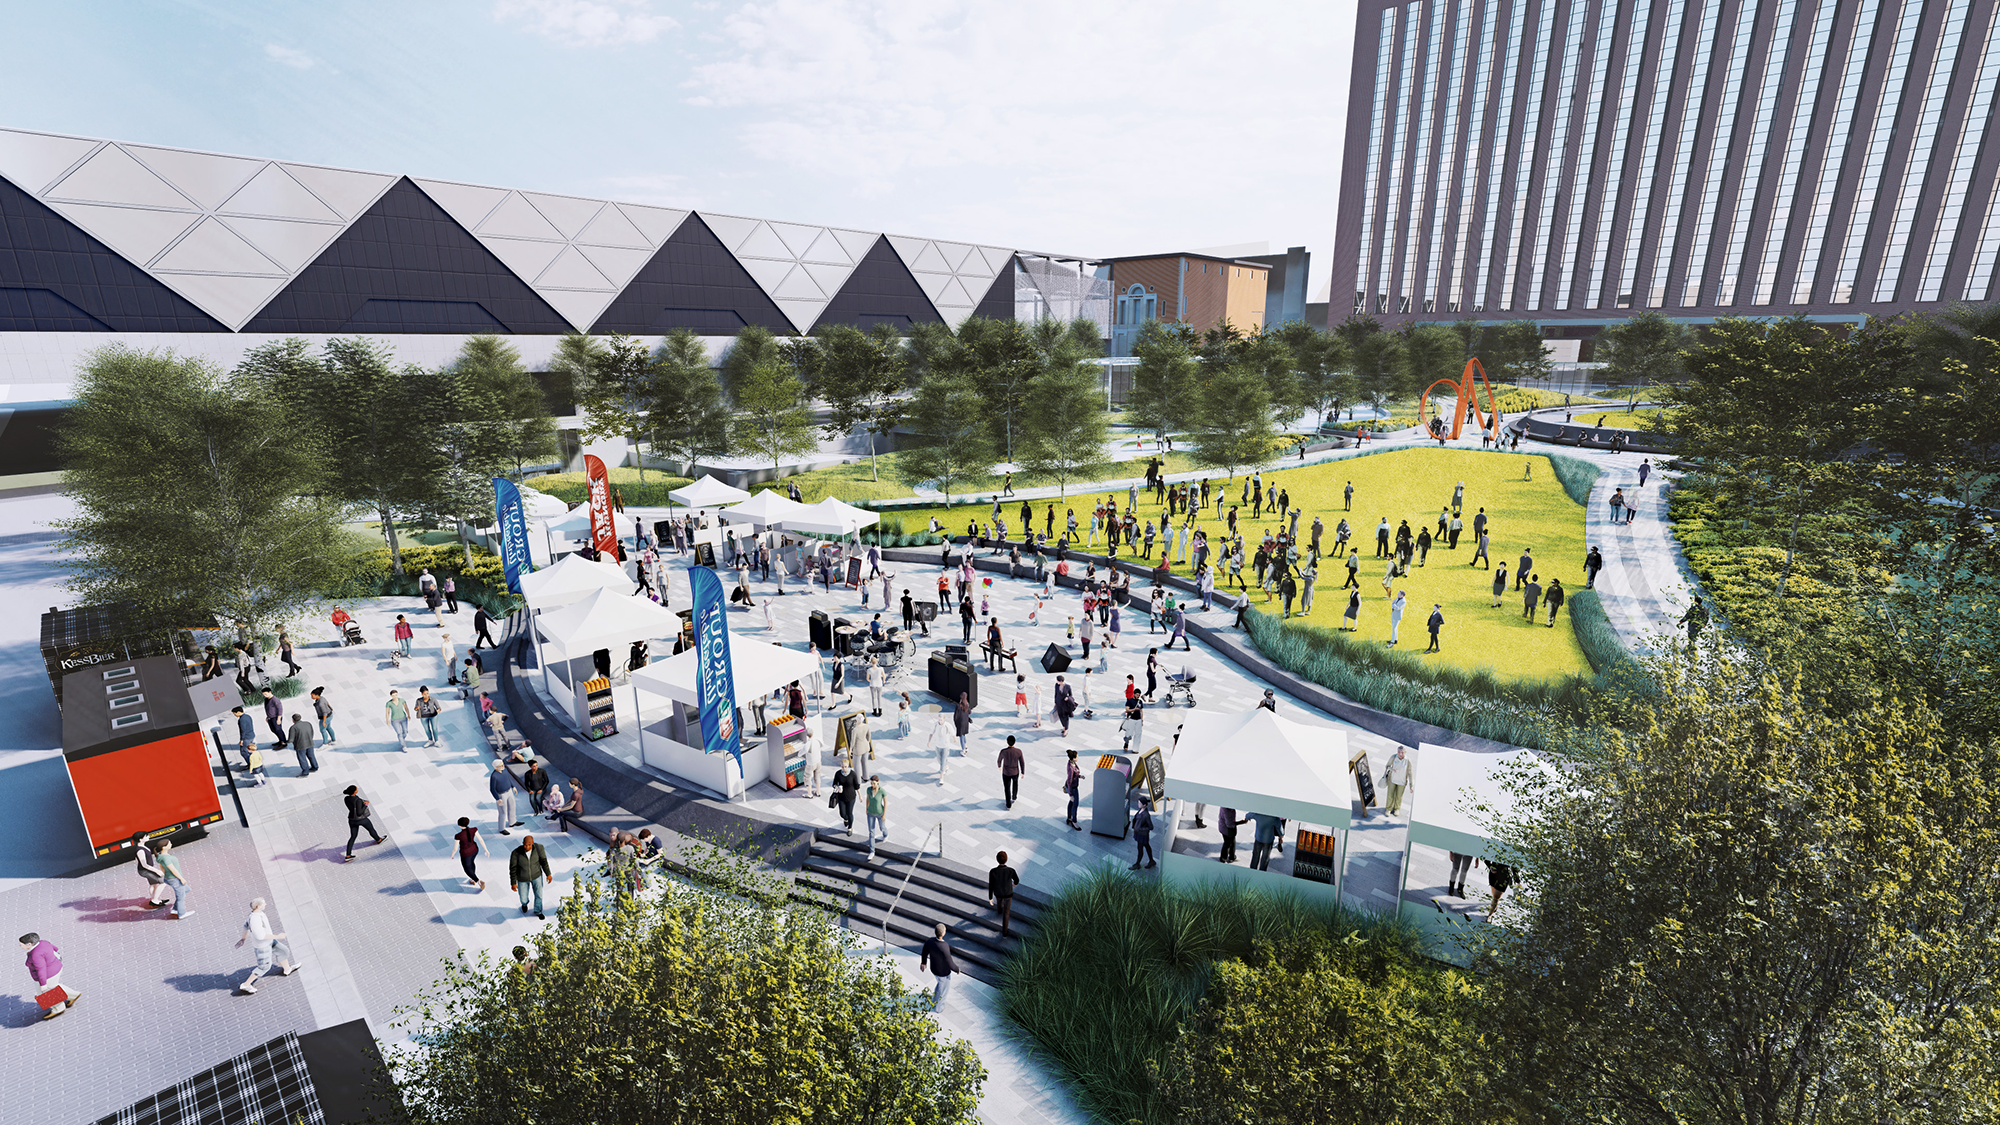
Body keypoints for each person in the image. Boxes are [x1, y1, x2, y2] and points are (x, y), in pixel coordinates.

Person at [235, 898, 300, 994]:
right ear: (258, 906)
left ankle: (287, 969)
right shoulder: (255, 919)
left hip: (269, 941)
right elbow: (260, 936)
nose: (265, 904)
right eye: (263, 903)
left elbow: (245, 926)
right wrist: (277, 936)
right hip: (263, 946)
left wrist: (243, 939)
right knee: (264, 967)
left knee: (283, 951)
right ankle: (246, 985)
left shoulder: (255, 913)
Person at [509, 833, 552, 919]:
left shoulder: (539, 848)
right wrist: (513, 883)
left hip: (537, 876)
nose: (527, 847)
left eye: (529, 845)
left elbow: (544, 861)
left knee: (539, 895)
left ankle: (538, 911)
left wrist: (548, 874)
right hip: (522, 879)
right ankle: (524, 904)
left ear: (532, 843)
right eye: (525, 845)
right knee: (523, 898)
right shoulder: (515, 853)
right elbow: (513, 869)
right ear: (522, 843)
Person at [343, 785, 384, 861]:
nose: (357, 789)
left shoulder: (346, 798)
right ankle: (379, 840)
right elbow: (359, 813)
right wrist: (365, 804)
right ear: (355, 791)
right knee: (371, 829)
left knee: (353, 837)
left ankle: (348, 855)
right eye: (356, 788)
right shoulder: (357, 800)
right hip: (360, 819)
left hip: (351, 820)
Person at [920, 922, 957, 1007]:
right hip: (943, 973)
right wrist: (957, 969)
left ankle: (934, 1000)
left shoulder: (930, 941)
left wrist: (923, 962)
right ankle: (938, 1008)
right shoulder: (944, 946)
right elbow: (949, 962)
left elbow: (925, 951)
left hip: (934, 969)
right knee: (944, 991)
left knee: (940, 985)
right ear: (944, 933)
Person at [134, 831, 171, 909]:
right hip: (145, 871)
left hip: (147, 869)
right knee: (163, 881)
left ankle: (155, 900)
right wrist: (157, 871)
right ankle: (154, 900)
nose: (148, 836)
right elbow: (144, 864)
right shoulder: (140, 850)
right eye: (146, 836)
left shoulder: (142, 847)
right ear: (140, 839)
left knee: (153, 884)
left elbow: (137, 860)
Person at [988, 851, 1021, 937]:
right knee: (1006, 913)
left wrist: (990, 897)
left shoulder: (993, 871)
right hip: (1008, 893)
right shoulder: (1011, 871)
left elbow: (991, 885)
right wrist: (1014, 884)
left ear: (997, 860)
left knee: (999, 901)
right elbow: (1017, 880)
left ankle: (999, 911)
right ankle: (1005, 933)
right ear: (1006, 860)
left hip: (998, 893)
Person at [156, 837, 190, 919]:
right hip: (175, 879)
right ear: (164, 847)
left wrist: (165, 875)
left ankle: (175, 909)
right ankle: (182, 914)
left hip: (169, 878)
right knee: (180, 897)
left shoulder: (160, 856)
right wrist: (181, 878)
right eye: (169, 843)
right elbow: (173, 869)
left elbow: (162, 867)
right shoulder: (166, 858)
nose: (171, 844)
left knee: (186, 889)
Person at [452, 816, 488, 891]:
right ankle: (472, 879)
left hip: (465, 854)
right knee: (471, 863)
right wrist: (486, 850)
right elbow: (481, 840)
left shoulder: (458, 836)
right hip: (475, 850)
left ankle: (478, 881)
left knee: (467, 869)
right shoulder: (474, 830)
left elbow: (455, 848)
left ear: (459, 825)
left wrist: (452, 855)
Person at [489, 760, 520, 835]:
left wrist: (513, 786)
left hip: (509, 791)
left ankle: (512, 822)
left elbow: (509, 779)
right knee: (502, 812)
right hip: (501, 795)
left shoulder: (505, 770)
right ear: (496, 768)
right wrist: (497, 799)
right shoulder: (494, 776)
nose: (502, 766)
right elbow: (492, 789)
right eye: (500, 766)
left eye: (503, 765)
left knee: (512, 806)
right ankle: (501, 828)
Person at [997, 735, 1026, 808]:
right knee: (1015, 784)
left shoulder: (1003, 751)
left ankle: (1008, 803)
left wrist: (999, 766)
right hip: (1015, 771)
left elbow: (999, 759)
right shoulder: (1018, 751)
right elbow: (1022, 762)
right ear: (1014, 742)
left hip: (1006, 772)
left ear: (1007, 742)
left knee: (1007, 788)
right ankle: (1014, 796)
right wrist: (1023, 772)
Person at [832, 758, 860, 832]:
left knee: (849, 813)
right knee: (842, 813)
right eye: (842, 767)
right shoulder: (838, 773)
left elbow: (857, 786)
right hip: (841, 797)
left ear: (848, 765)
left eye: (845, 766)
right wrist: (838, 788)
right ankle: (845, 819)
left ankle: (850, 828)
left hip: (851, 797)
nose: (844, 768)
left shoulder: (852, 774)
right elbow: (834, 784)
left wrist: (860, 796)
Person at [1384, 747, 1412, 815]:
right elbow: (1387, 766)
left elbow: (1410, 773)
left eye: (1402, 752)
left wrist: (1411, 786)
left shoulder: (1408, 761)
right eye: (1399, 752)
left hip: (1402, 782)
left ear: (1405, 753)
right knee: (1390, 795)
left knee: (1399, 797)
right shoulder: (1393, 757)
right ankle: (1388, 809)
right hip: (1392, 780)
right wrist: (1392, 769)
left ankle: (1397, 809)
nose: (1400, 754)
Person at [1130, 798, 1156, 869]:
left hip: (1142, 835)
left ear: (1144, 805)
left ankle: (1137, 864)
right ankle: (1151, 861)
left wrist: (1140, 829)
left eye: (1139, 803)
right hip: (1140, 834)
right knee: (1147, 846)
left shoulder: (1146, 815)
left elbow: (1151, 827)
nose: (1138, 804)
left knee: (1140, 849)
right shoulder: (1141, 810)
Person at [865, 775, 888, 852]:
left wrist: (884, 815)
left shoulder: (882, 791)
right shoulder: (868, 789)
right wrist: (866, 809)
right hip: (870, 813)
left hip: (880, 813)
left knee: (882, 827)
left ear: (878, 782)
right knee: (871, 833)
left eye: (874, 783)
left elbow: (885, 803)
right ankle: (872, 851)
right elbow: (867, 799)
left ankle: (885, 835)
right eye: (871, 783)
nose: (872, 785)